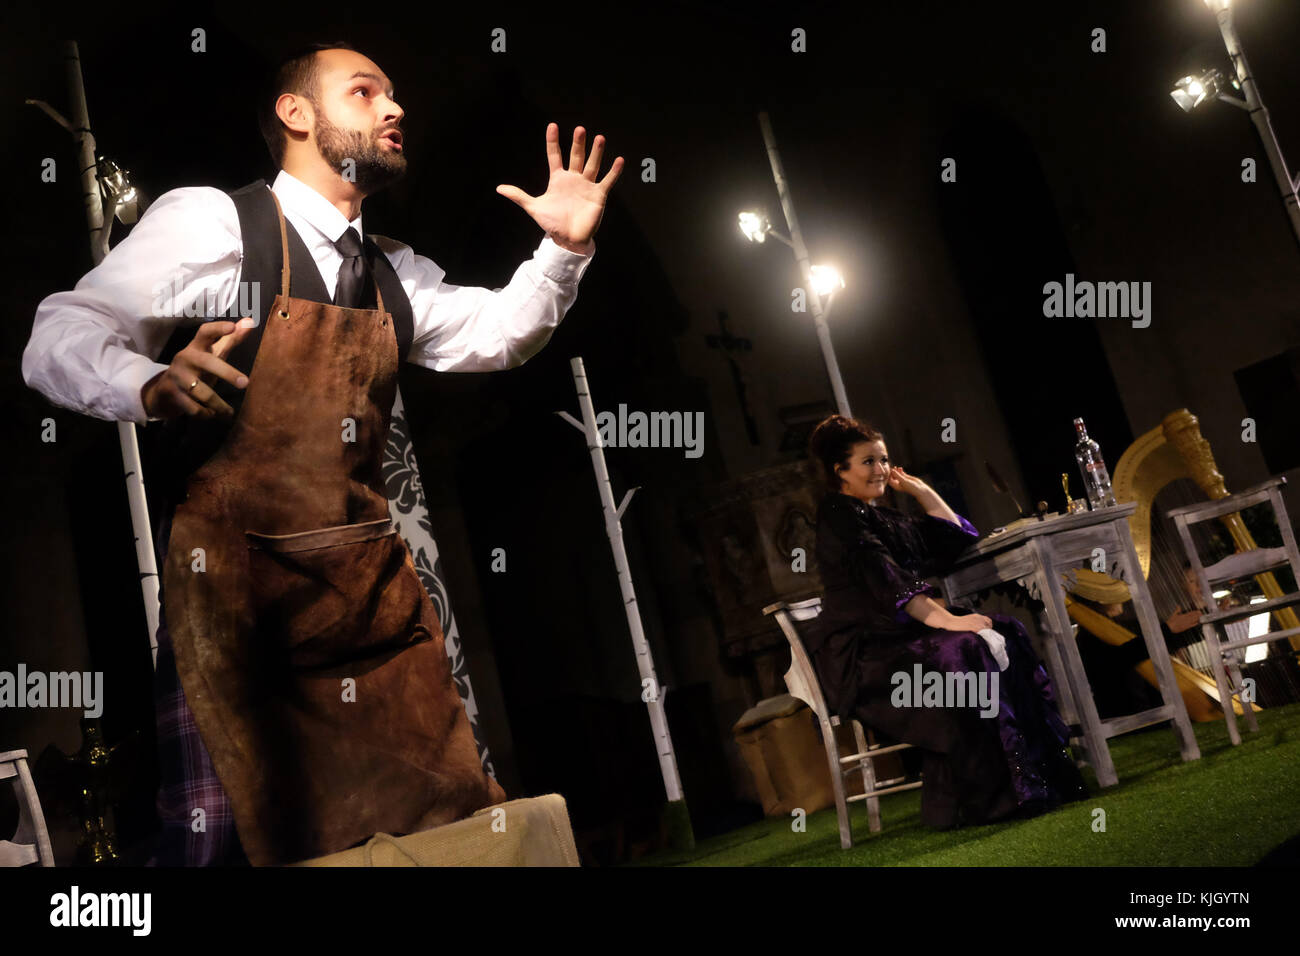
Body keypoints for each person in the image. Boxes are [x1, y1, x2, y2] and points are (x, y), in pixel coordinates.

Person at [22, 41, 623, 865]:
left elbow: (499, 332)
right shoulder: (216, 223)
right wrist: (150, 381)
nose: (395, 108)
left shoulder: (393, 273)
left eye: (395, 95)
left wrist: (562, 251)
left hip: (372, 610)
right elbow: (59, 333)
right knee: (224, 850)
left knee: (442, 833)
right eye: (366, 91)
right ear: (296, 114)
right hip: (236, 612)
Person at [806, 414, 1088, 828]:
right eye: (868, 461)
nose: (881, 469)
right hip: (865, 653)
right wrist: (946, 621)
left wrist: (921, 490)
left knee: (1005, 628)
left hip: (902, 636)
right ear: (840, 469)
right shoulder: (838, 514)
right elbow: (887, 579)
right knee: (965, 647)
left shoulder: (881, 515)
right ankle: (996, 798)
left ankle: (1039, 780)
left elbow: (956, 539)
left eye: (884, 460)